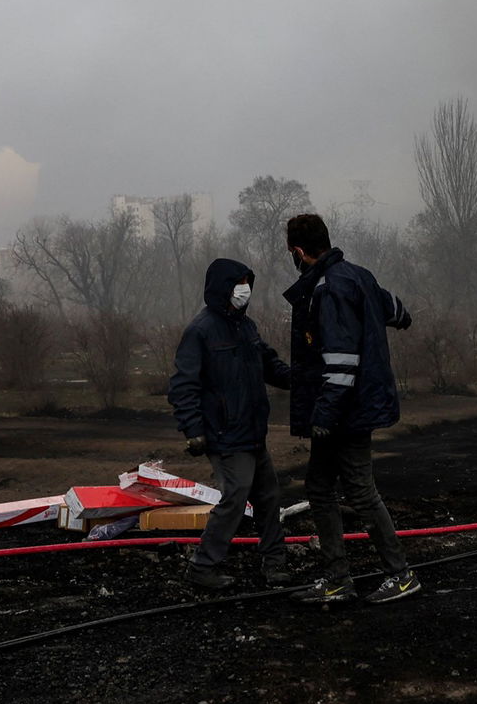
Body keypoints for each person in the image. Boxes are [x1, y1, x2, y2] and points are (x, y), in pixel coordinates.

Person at [283, 213, 421, 605]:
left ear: (298, 251)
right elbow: (399, 312)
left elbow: (342, 363)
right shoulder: (358, 275)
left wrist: (323, 417)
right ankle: (337, 579)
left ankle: (401, 575)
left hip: (345, 410)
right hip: (349, 406)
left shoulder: (329, 289)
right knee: (320, 488)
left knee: (360, 491)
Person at [167, 258, 294, 590]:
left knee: (268, 496)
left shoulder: (246, 326)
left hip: (252, 431)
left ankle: (275, 563)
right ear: (222, 287)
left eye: (247, 282)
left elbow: (268, 363)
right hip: (224, 434)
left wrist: (299, 378)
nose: (245, 289)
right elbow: (184, 384)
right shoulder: (200, 331)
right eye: (239, 282)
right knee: (235, 497)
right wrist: (193, 431)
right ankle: (202, 567)